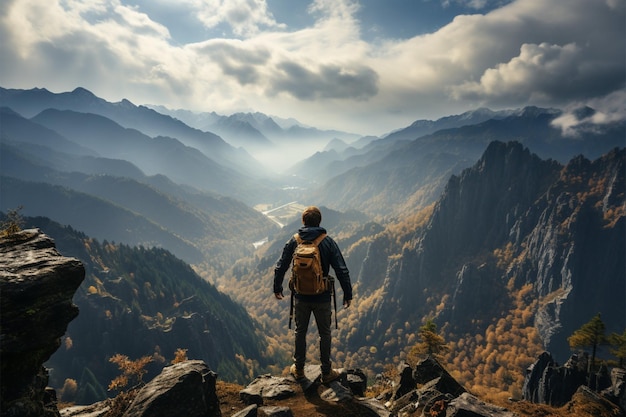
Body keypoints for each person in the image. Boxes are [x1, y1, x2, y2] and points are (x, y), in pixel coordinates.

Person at [273, 206, 353, 383]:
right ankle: (326, 372)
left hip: (300, 296)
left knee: (300, 331)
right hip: (322, 296)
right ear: (319, 221)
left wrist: (277, 287)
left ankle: (299, 369)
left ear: (303, 221)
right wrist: (348, 294)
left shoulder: (294, 241)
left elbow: (281, 265)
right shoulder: (327, 242)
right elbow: (342, 270)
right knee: (324, 333)